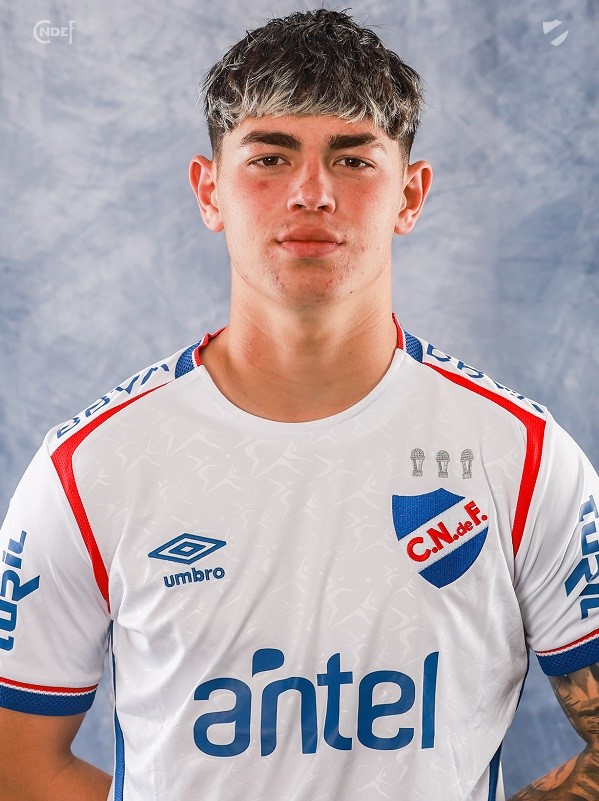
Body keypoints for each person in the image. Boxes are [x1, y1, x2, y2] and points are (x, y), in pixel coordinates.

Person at [0, 8, 597, 800]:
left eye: (352, 160)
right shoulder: (88, 468)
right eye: (270, 157)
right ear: (209, 190)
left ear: (410, 194)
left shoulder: (520, 457)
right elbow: (18, 763)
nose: (311, 192)